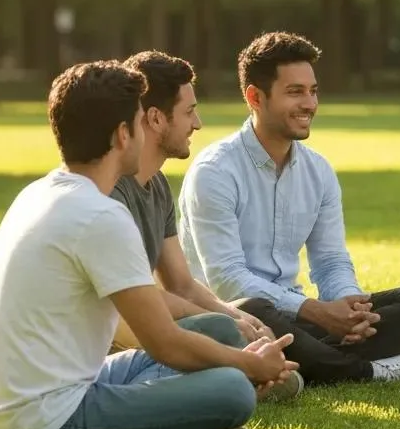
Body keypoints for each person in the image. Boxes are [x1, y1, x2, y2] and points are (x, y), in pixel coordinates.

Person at [0, 61, 298, 429]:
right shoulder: (100, 215)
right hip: (45, 421)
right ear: (123, 134)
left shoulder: (40, 193)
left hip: (39, 396)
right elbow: (164, 342)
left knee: (217, 331)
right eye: (141, 123)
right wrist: (249, 366)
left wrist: (238, 353)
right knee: (232, 390)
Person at [178, 31, 400, 385]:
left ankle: (310, 361)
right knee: (255, 307)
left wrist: (350, 308)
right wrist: (316, 312)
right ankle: (367, 371)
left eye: (313, 91)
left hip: (297, 315)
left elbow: (331, 261)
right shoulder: (215, 171)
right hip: (233, 318)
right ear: (255, 97)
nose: (309, 104)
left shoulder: (318, 171)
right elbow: (227, 280)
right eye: (295, 92)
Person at [108, 50, 302, 403]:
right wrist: (228, 324)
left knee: (243, 317)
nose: (197, 123)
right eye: (189, 112)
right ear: (155, 119)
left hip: (155, 325)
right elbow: (142, 299)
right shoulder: (112, 194)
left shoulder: (158, 187)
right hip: (117, 338)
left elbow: (180, 283)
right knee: (221, 331)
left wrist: (238, 315)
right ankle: (238, 376)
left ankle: (240, 372)